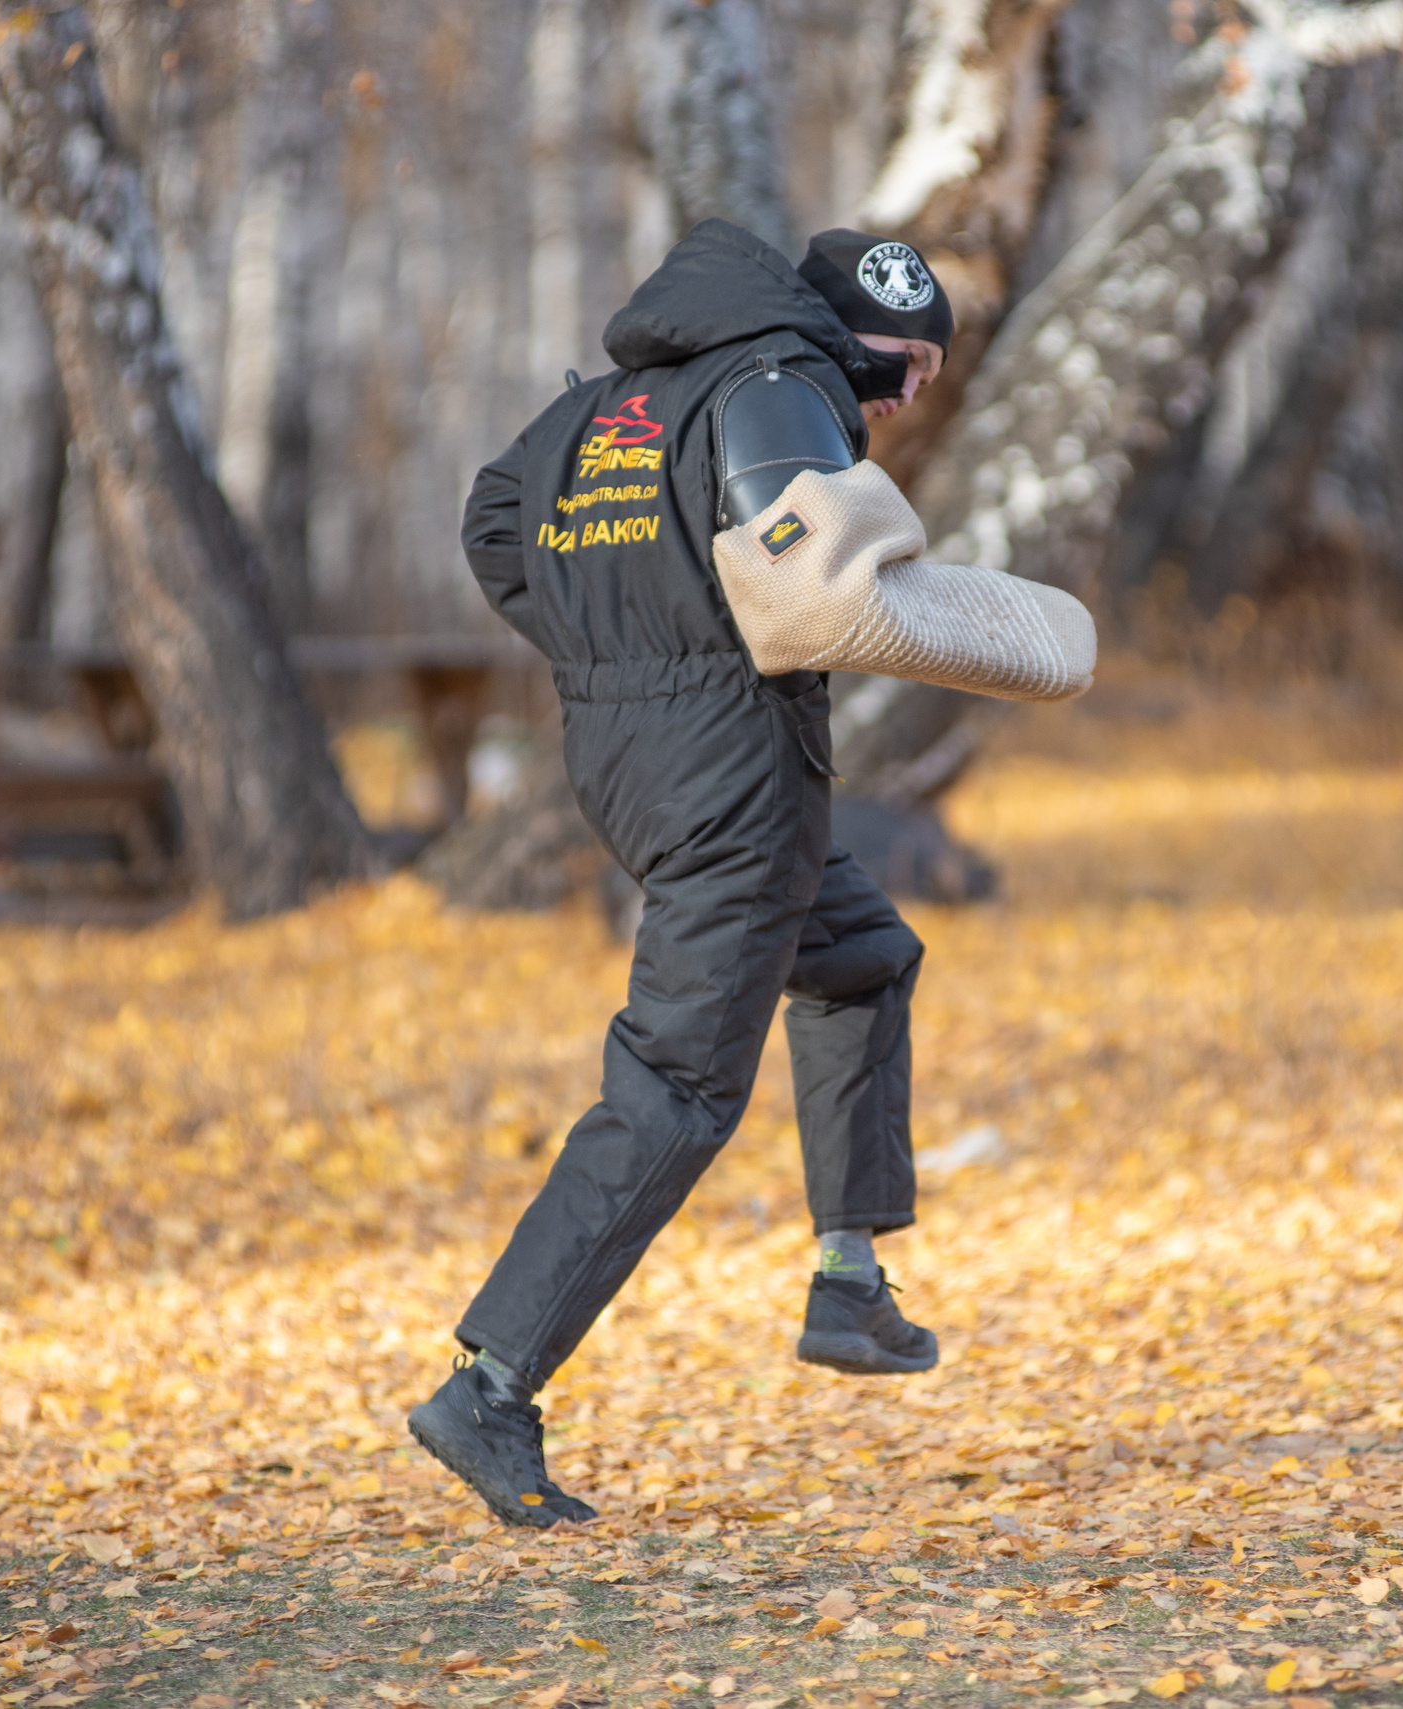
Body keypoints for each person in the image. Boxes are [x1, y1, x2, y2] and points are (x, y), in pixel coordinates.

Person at [407, 220, 956, 1529]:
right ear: (868, 339)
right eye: (916, 371)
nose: (912, 398)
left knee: (862, 957)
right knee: (674, 1087)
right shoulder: (787, 385)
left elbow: (495, 522)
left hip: (631, 757)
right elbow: (806, 556)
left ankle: (847, 1279)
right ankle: (488, 1384)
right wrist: (712, 643)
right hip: (737, 776)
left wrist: (616, 642)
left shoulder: (608, 411)